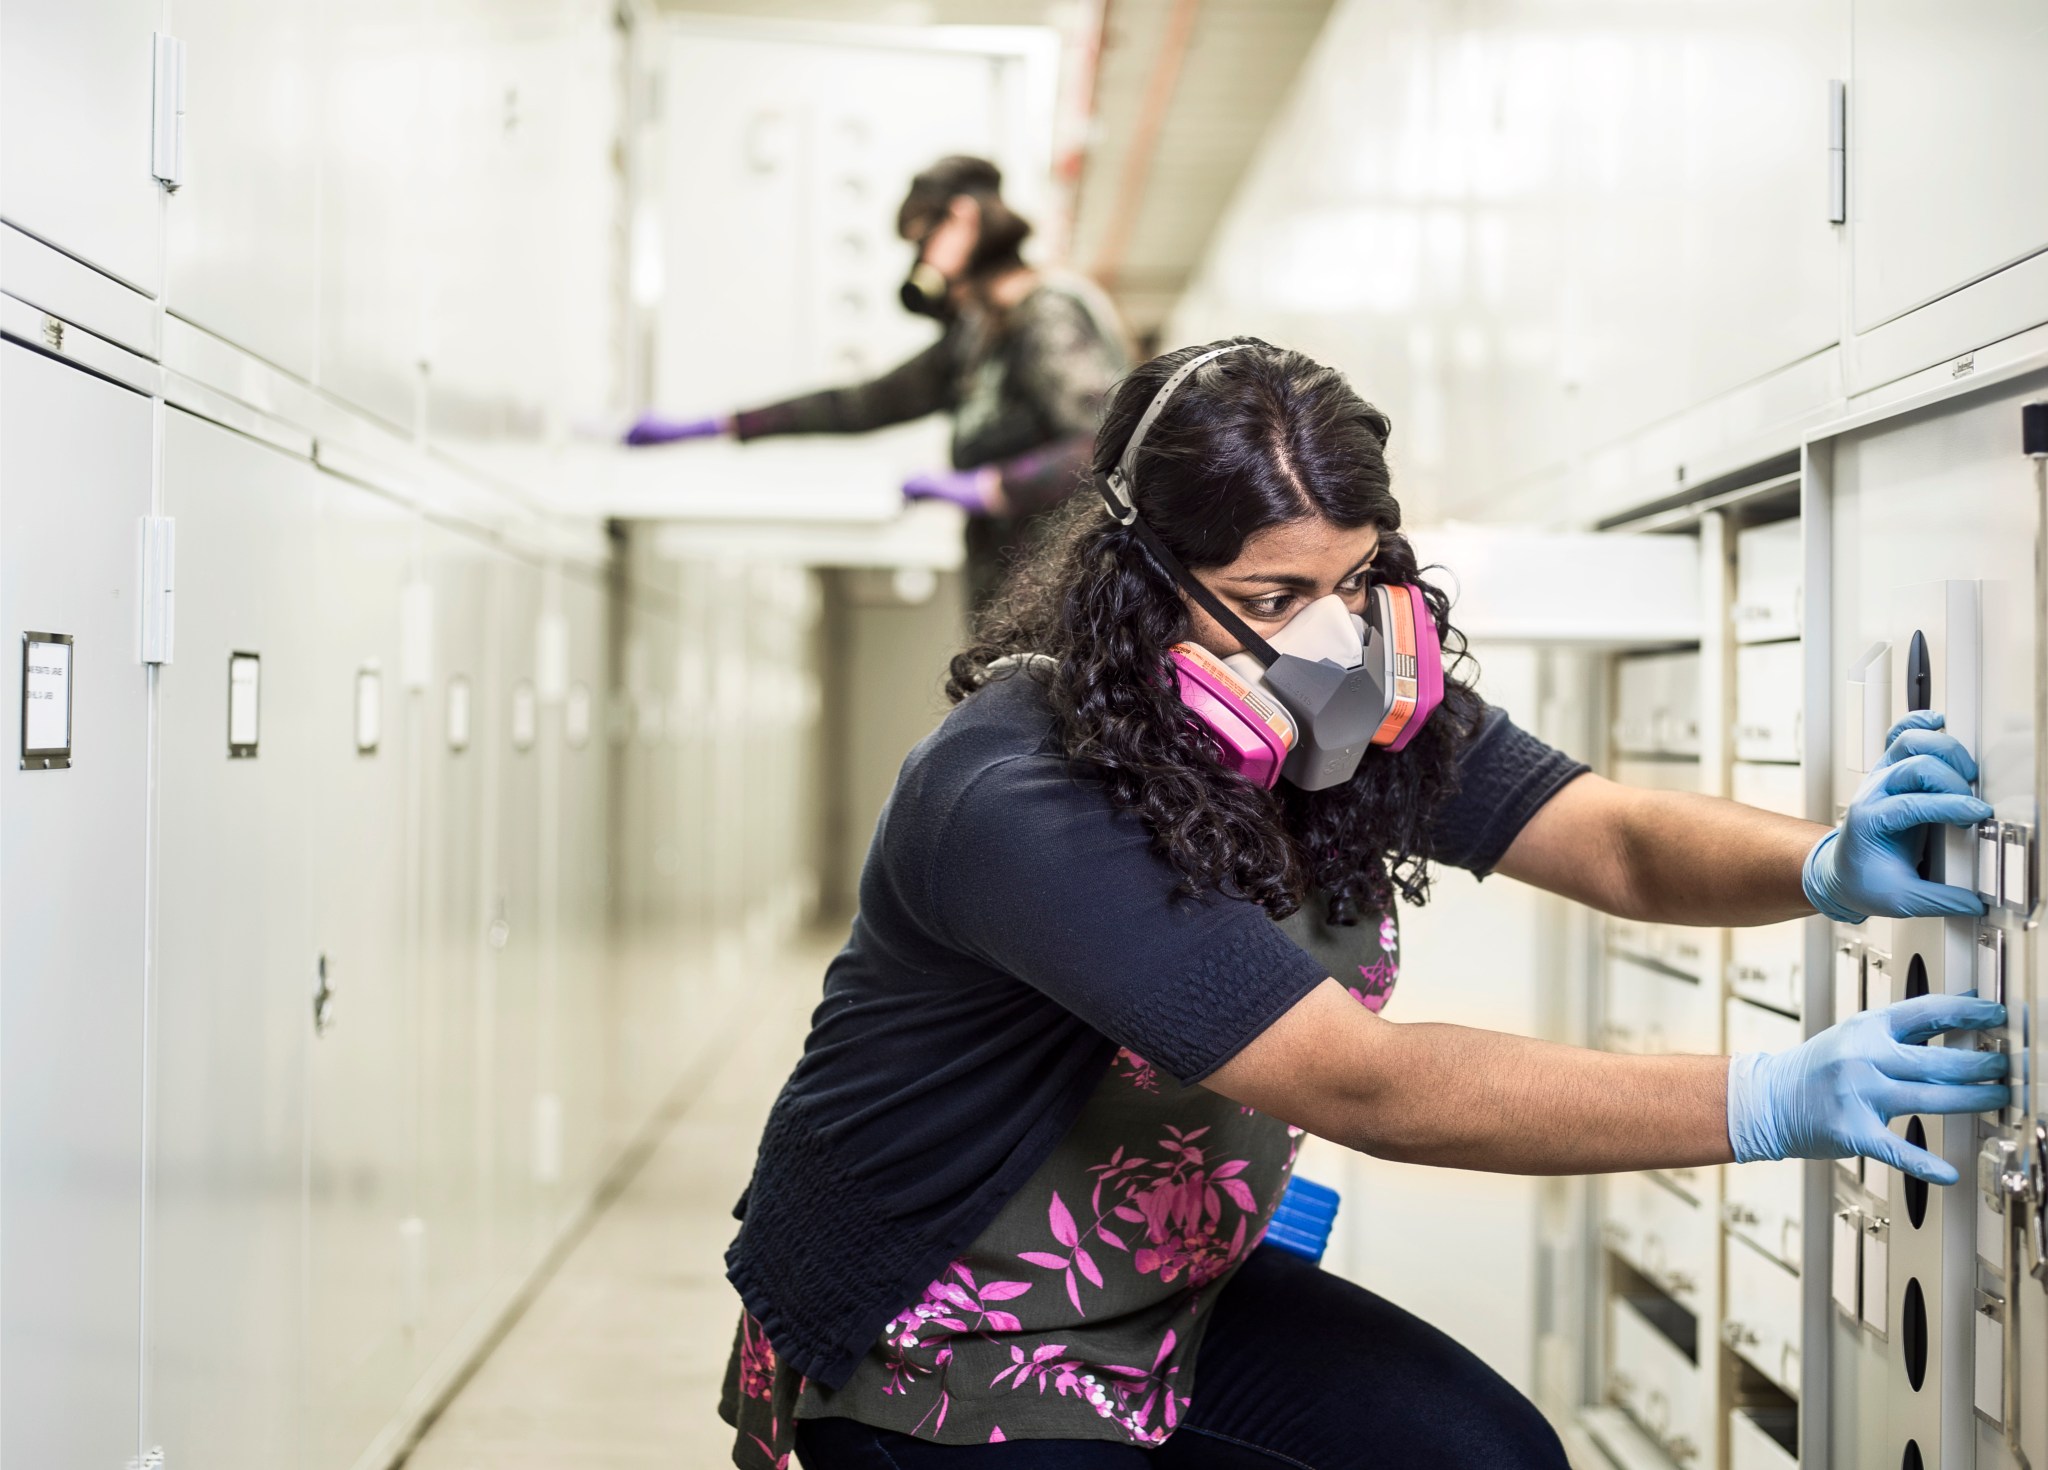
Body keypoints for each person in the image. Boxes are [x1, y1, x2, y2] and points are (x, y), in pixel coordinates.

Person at [717, 340, 2005, 1468]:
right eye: (1273, 599)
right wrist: (1771, 1099)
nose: (1328, 639)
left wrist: (1819, 860)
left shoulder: (1342, 709)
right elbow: (1366, 1086)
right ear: (1142, 582)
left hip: (1172, 1301)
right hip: (940, 1343)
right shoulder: (1016, 797)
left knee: (1493, 1458)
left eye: (1351, 579)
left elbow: (1609, 840)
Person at [625, 154, 1130, 607]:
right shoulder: (977, 336)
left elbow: (1101, 447)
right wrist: (719, 426)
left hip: (1065, 598)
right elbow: (862, 404)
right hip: (1009, 593)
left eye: (920, 239)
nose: (919, 262)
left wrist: (994, 487)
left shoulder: (1046, 315)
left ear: (962, 219)